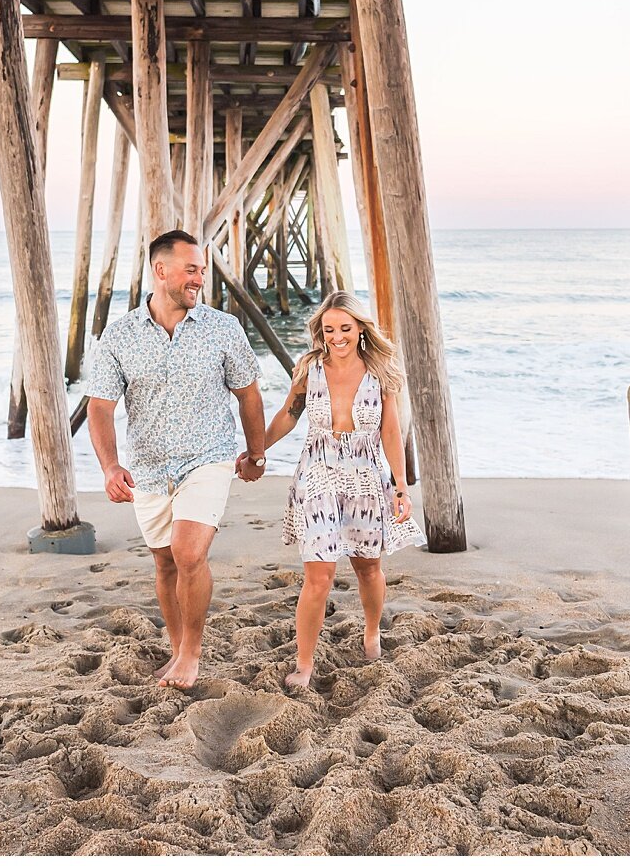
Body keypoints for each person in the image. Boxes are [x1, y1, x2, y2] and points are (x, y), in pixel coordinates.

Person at [85, 229, 268, 690]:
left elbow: (248, 395)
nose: (198, 279)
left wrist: (256, 453)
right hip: (148, 467)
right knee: (165, 563)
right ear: (160, 270)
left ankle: (192, 653)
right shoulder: (120, 335)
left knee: (189, 553)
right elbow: (100, 407)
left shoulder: (222, 328)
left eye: (202, 271)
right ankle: (175, 647)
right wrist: (109, 466)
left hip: (208, 456)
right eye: (191, 270)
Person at [243, 291, 425, 689]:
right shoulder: (310, 368)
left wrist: (401, 486)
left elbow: (390, 431)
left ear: (361, 328)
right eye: (329, 329)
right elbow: (289, 417)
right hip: (319, 475)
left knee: (369, 567)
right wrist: (256, 451)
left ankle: (372, 632)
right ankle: (305, 663)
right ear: (321, 332)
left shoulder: (381, 371)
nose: (337, 336)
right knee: (319, 577)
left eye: (345, 328)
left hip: (365, 475)